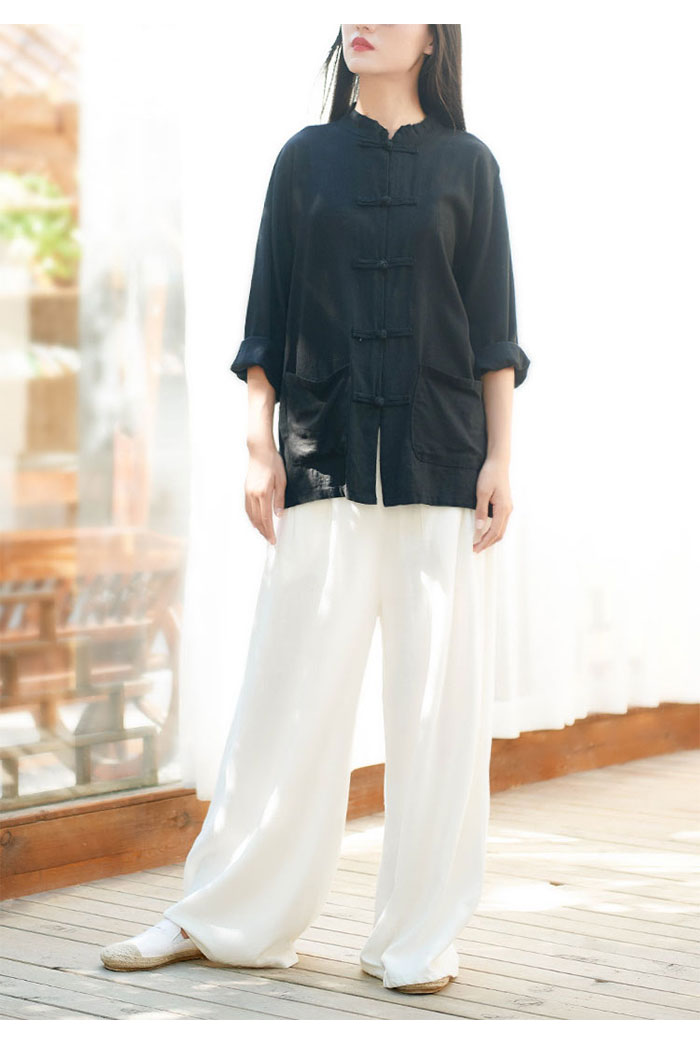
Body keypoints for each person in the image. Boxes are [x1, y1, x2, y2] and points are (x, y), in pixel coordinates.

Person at [100, 24, 530, 996]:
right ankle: (224, 915)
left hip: (441, 464)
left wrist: (502, 458)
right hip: (322, 460)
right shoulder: (304, 160)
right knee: (286, 697)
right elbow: (268, 315)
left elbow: (492, 331)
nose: (364, 16)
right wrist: (259, 442)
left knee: (438, 714)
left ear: (434, 35)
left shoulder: (470, 166)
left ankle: (417, 938)